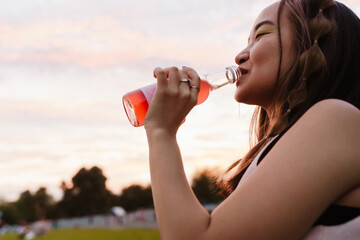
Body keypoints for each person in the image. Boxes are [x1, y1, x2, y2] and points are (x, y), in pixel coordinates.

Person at [143, 0, 360, 238]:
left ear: (315, 45)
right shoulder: (290, 143)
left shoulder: (335, 121)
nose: (239, 56)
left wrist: (161, 132)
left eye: (261, 34)